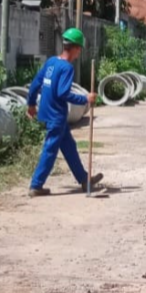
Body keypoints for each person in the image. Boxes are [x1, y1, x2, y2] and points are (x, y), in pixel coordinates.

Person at [26, 28, 103, 197]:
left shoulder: (51, 62)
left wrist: (31, 104)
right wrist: (85, 99)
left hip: (47, 112)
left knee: (69, 146)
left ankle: (84, 180)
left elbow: (35, 83)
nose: (79, 52)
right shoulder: (67, 68)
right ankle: (36, 185)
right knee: (50, 149)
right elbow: (63, 93)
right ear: (75, 48)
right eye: (79, 48)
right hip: (57, 116)